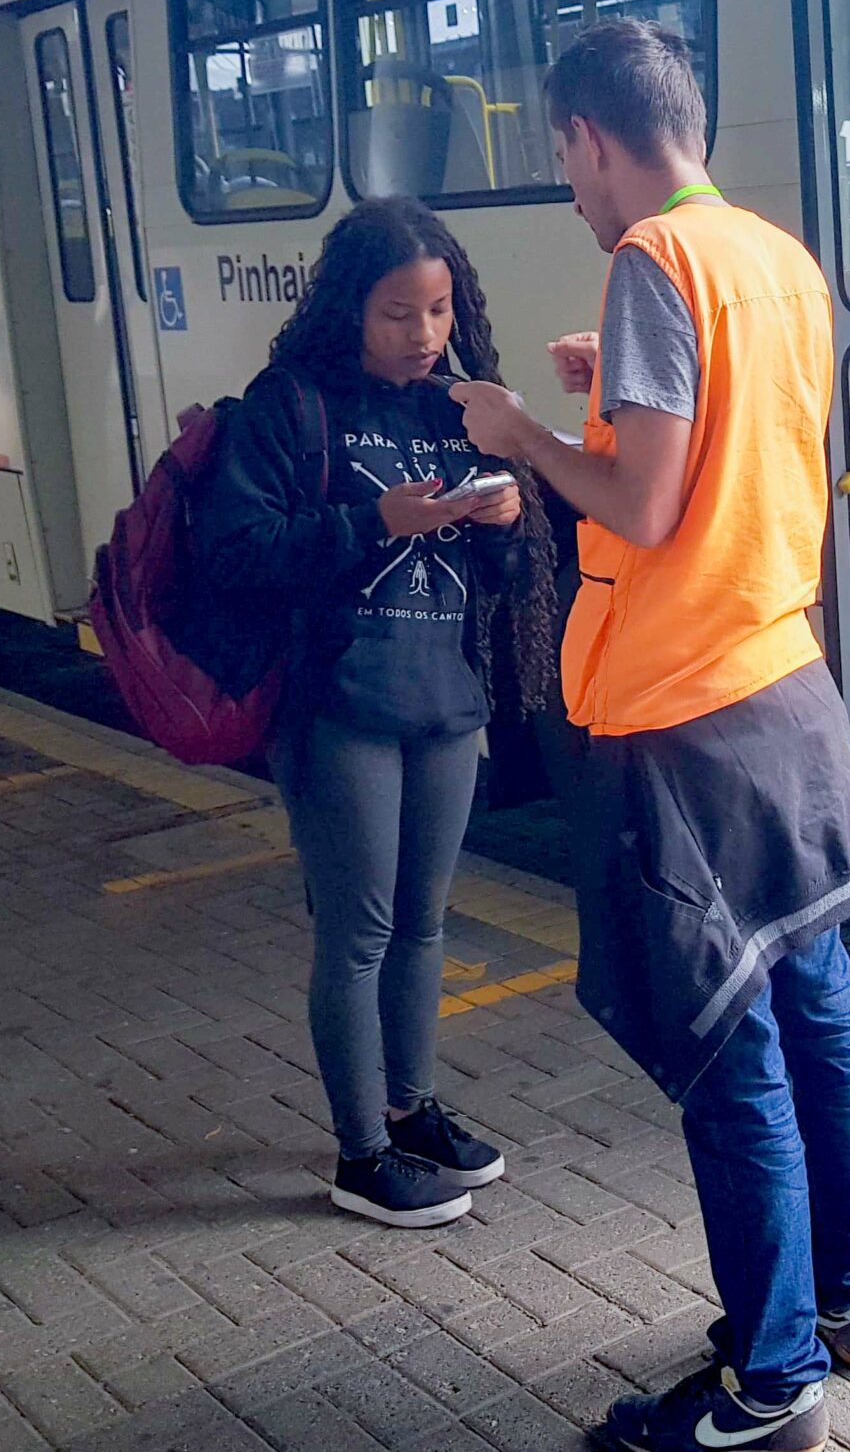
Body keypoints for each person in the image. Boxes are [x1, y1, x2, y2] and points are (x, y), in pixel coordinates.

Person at [452, 21, 850, 1452]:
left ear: (592, 133)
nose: (568, 190)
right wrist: (608, 382)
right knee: (819, 998)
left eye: (561, 159)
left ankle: (771, 1384)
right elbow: (725, 442)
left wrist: (522, 429)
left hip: (680, 715)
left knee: (731, 1045)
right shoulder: (776, 258)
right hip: (789, 689)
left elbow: (638, 508)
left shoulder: (650, 260)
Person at [200, 196, 558, 1230]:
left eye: (439, 310)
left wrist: (499, 518)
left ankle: (412, 1110)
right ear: (351, 307)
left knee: (425, 924)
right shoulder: (292, 404)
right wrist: (369, 521)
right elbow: (237, 554)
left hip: (444, 702)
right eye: (400, 313)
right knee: (355, 936)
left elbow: (516, 572)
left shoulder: (459, 406)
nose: (425, 334)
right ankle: (360, 1156)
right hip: (337, 706)